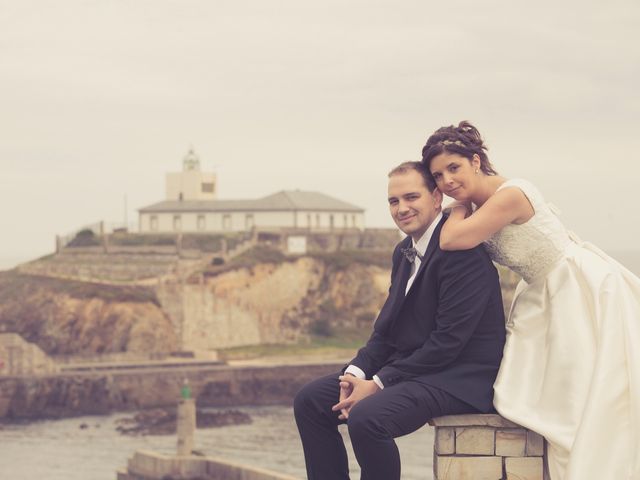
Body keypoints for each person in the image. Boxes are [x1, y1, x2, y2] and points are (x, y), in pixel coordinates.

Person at [421, 121, 640, 480]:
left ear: (476, 161)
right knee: (544, 389)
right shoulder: (478, 204)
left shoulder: (510, 194)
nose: (446, 182)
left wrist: (457, 210)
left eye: (453, 168)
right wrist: (463, 207)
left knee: (586, 383)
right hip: (539, 291)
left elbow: (452, 241)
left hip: (572, 284)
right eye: (438, 176)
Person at [293, 161, 506, 480]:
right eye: (394, 201)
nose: (401, 208)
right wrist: (355, 373)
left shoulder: (463, 253)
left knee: (367, 417)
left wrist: (378, 383)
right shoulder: (404, 251)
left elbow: (447, 343)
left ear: (436, 198)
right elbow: (385, 332)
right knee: (310, 401)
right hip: (416, 368)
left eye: (411, 197)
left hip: (461, 374)